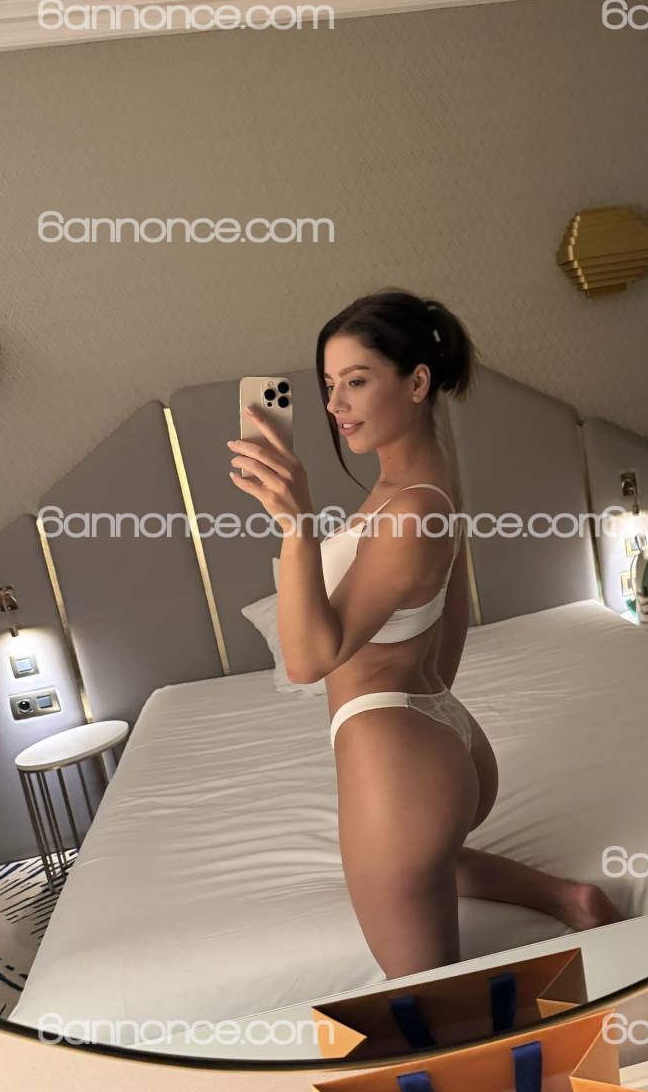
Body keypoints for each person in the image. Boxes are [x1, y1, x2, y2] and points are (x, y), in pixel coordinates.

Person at [228, 288, 622, 979]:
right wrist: (430, 708)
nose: (336, 404)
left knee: (430, 1006)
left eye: (356, 381)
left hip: (395, 752)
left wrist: (295, 526)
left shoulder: (409, 510)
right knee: (420, 853)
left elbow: (308, 661)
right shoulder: (427, 483)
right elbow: (453, 610)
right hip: (434, 734)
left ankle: (574, 1026)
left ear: (416, 383)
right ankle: (567, 898)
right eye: (328, 385)